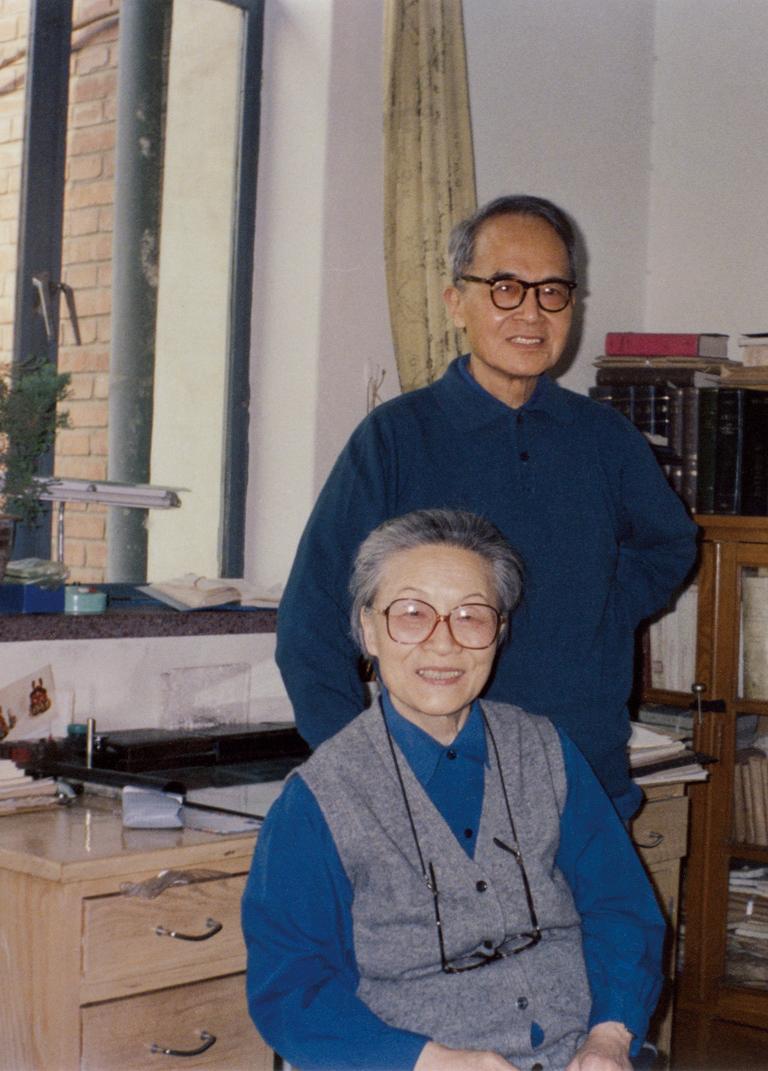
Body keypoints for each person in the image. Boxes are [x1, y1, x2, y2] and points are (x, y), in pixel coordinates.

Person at [274, 194, 699, 817]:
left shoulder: (605, 438)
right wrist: (364, 773)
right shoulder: (396, 438)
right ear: (456, 303)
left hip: (584, 784)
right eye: (505, 288)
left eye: (552, 291)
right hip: (437, 795)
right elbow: (310, 623)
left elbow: (670, 544)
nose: (532, 311)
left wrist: (601, 609)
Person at [244, 509, 666, 1071]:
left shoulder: (546, 751)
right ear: (368, 630)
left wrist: (610, 1036)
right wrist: (430, 1061)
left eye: (471, 616)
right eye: (412, 614)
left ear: (500, 631)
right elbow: (292, 992)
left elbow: (620, 907)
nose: (443, 644)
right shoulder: (317, 801)